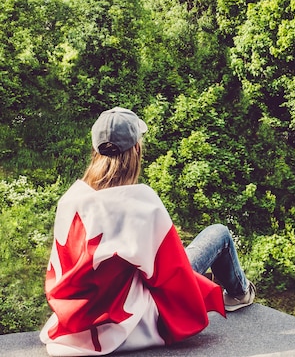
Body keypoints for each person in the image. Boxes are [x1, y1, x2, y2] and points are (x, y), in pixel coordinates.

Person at [40, 107, 255, 356]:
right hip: (131, 316)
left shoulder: (71, 200)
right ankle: (240, 293)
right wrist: (201, 296)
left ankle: (239, 292)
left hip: (79, 317)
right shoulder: (141, 202)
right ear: (136, 150)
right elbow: (172, 273)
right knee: (219, 234)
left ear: (95, 151)